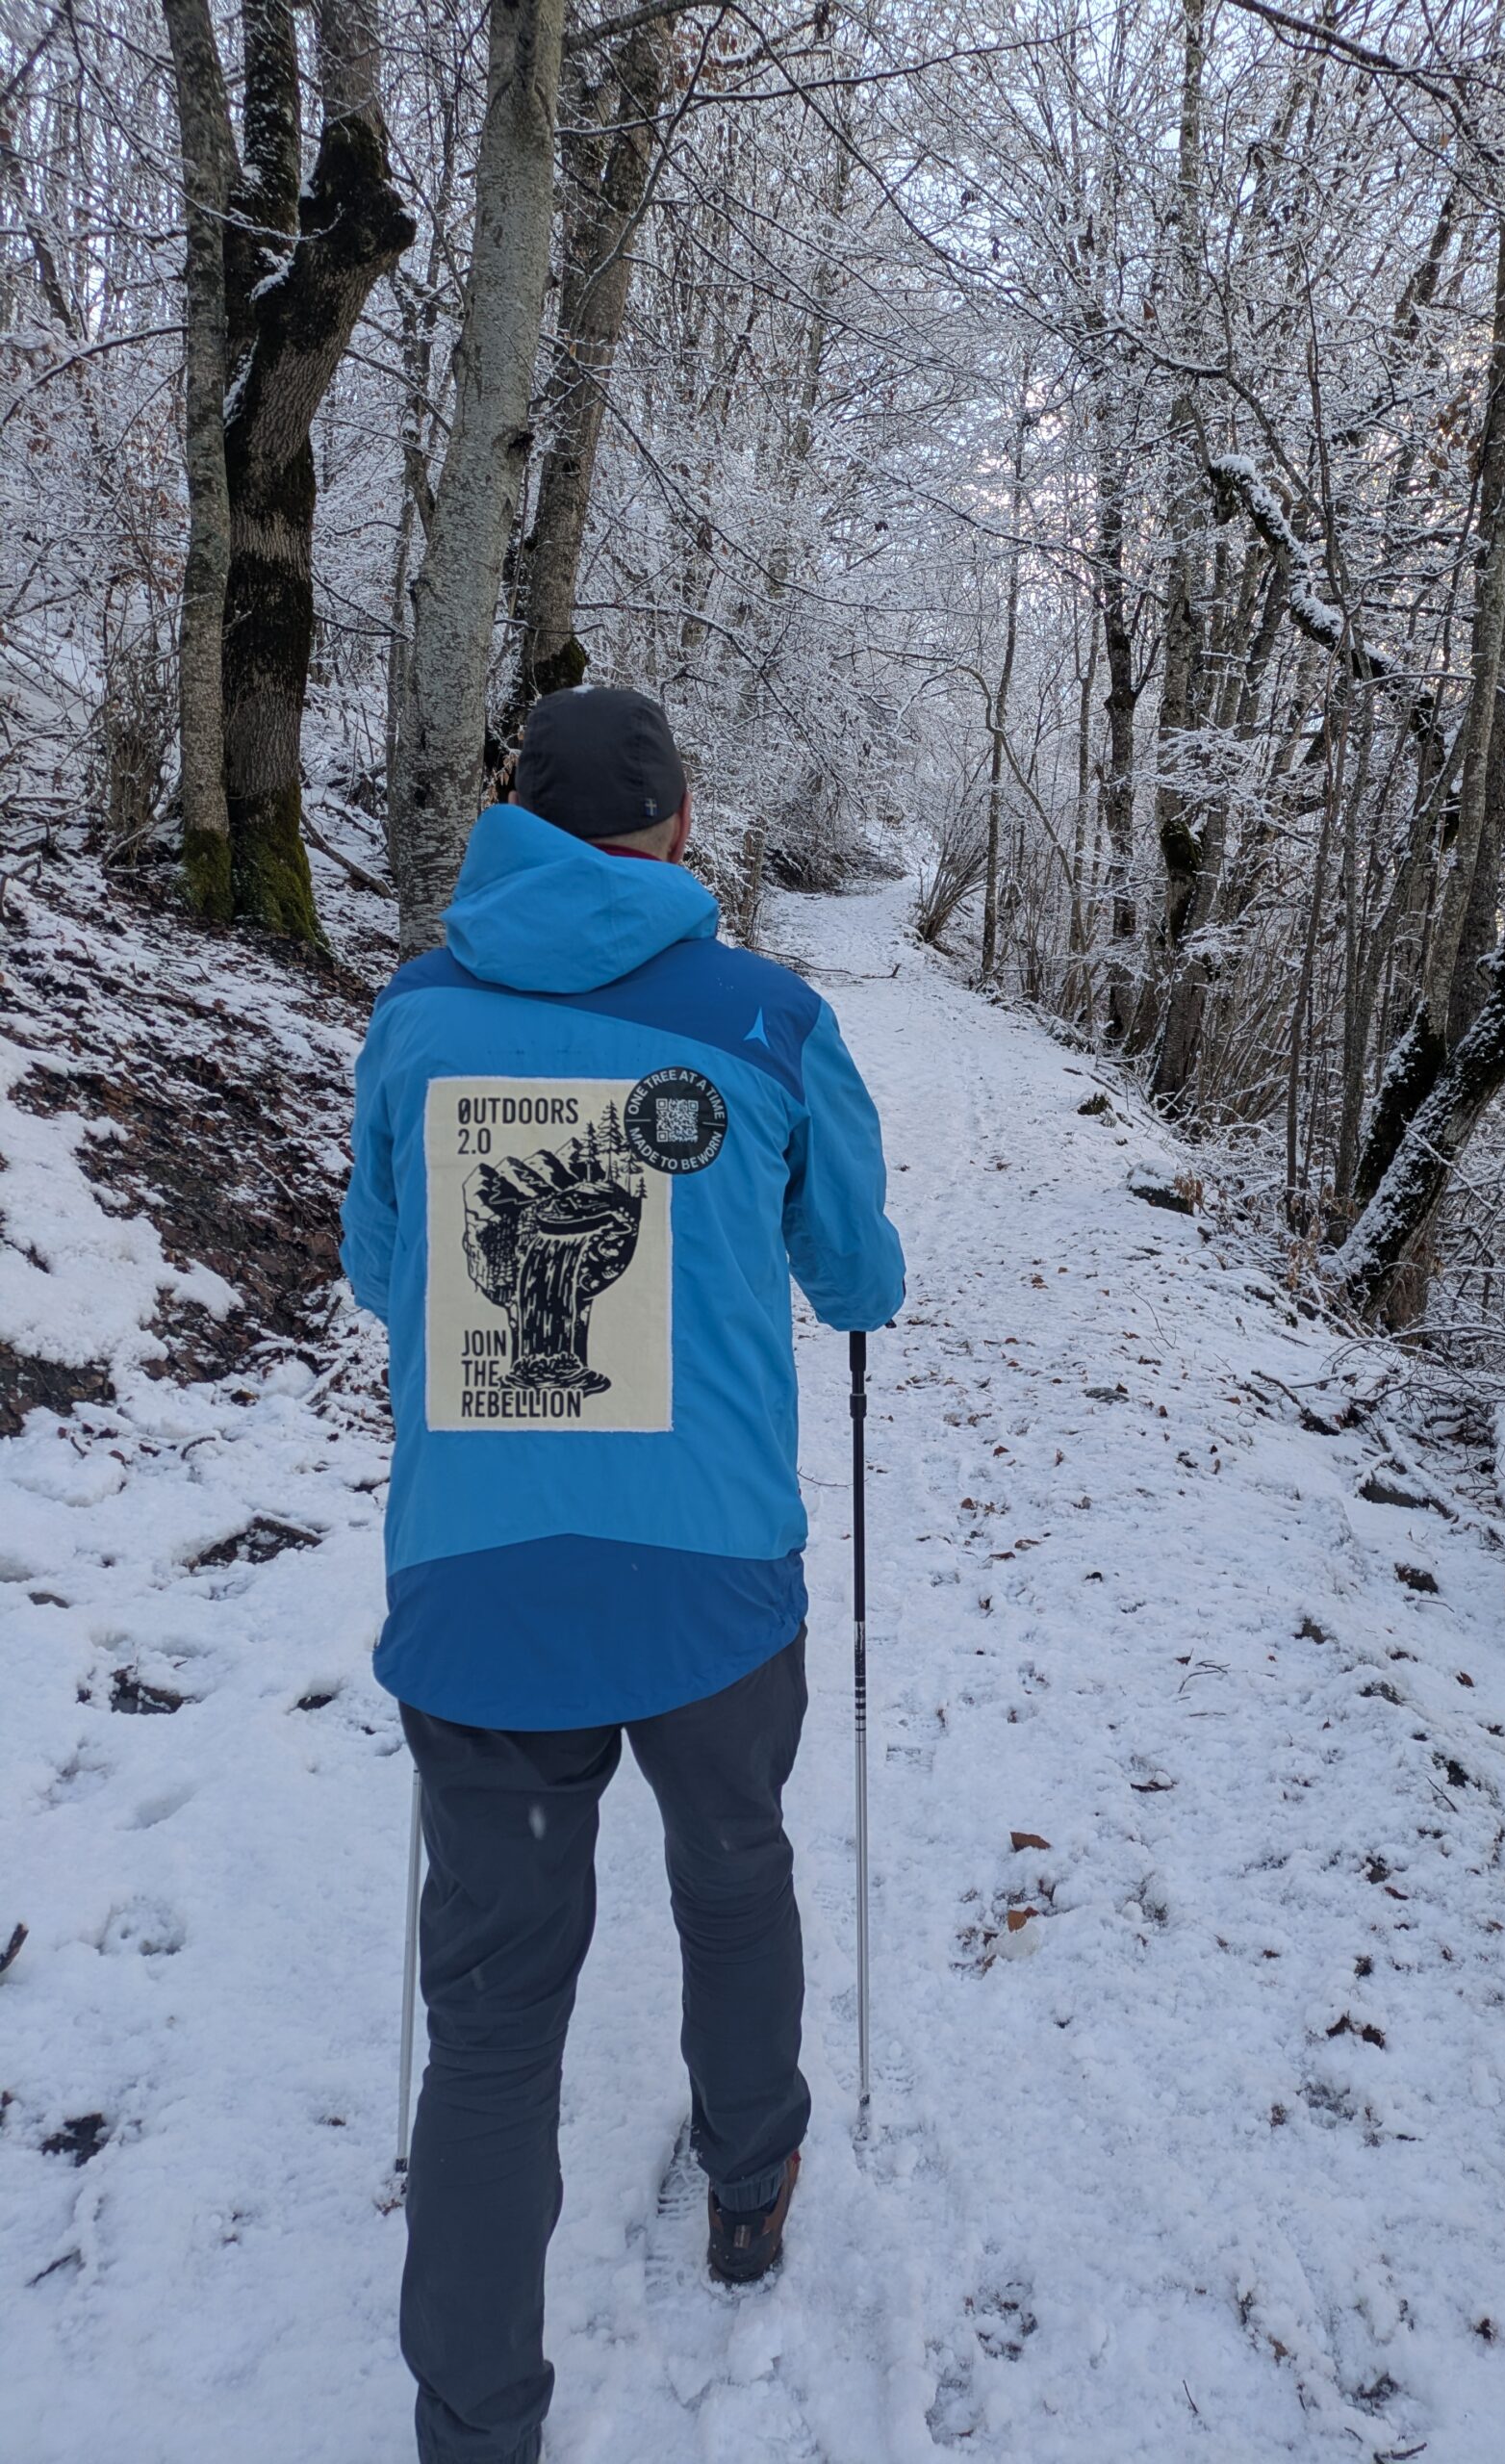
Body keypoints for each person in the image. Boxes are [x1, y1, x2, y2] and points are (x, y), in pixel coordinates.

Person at [341, 684, 906, 2464]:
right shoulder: (768, 1018)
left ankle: (473, 2423)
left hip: (480, 1587)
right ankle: (749, 2184)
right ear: (678, 826)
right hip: (708, 1580)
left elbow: (379, 1266)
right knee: (731, 1875)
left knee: (493, 2021)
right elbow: (857, 1276)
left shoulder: (415, 1017)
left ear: (512, 813)